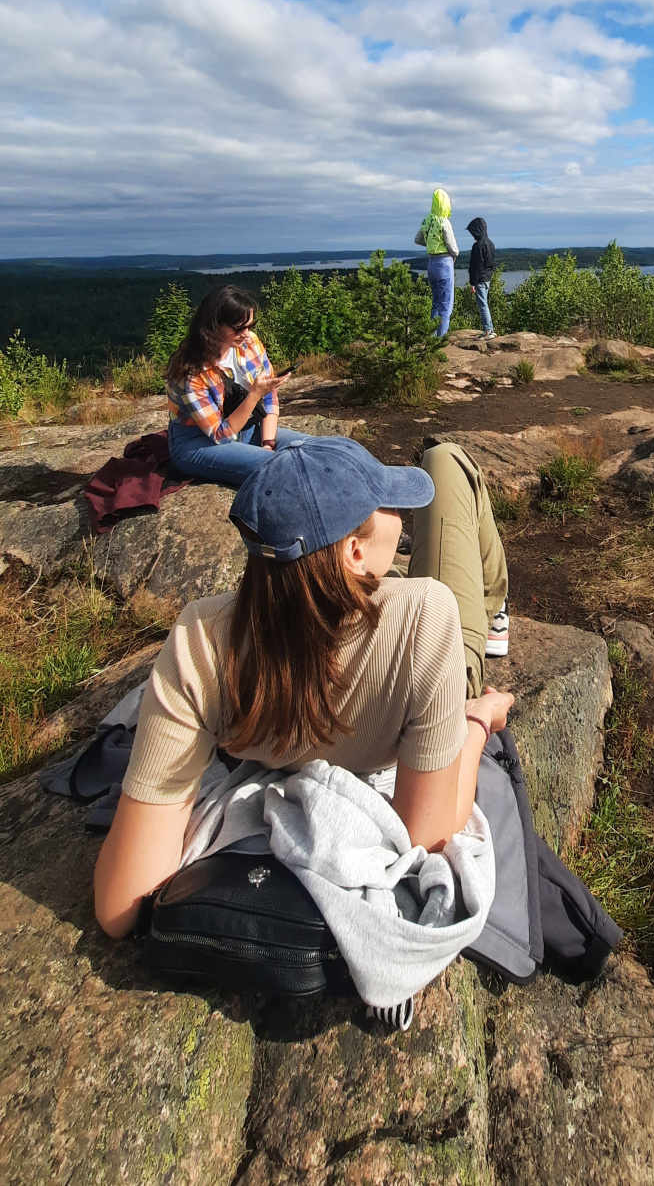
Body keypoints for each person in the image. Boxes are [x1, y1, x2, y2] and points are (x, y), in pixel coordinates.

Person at [93, 437, 514, 938]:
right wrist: (477, 721)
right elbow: (426, 831)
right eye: (386, 503)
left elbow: (119, 905)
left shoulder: (200, 637)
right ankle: (496, 608)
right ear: (355, 551)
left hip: (317, 598)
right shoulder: (428, 612)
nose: (398, 507)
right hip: (430, 670)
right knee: (447, 461)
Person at [165, 284, 310, 486]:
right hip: (198, 441)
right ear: (214, 326)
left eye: (250, 325)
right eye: (239, 328)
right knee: (282, 469)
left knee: (316, 451)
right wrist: (254, 395)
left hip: (248, 427)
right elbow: (219, 434)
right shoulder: (191, 373)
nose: (246, 333)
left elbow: (269, 396)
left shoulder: (249, 343)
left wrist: (268, 443)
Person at [414, 188, 459, 338]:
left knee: (435, 303)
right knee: (446, 304)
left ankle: (431, 337)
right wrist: (454, 255)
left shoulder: (427, 220)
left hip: (431, 263)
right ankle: (441, 339)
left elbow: (417, 239)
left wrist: (430, 245)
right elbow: (452, 246)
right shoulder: (444, 222)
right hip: (444, 263)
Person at [466, 217, 497, 337]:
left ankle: (488, 330)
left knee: (482, 304)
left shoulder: (478, 246)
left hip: (480, 279)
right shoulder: (490, 243)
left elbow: (476, 266)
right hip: (487, 278)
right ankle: (490, 329)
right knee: (485, 303)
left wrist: (473, 282)